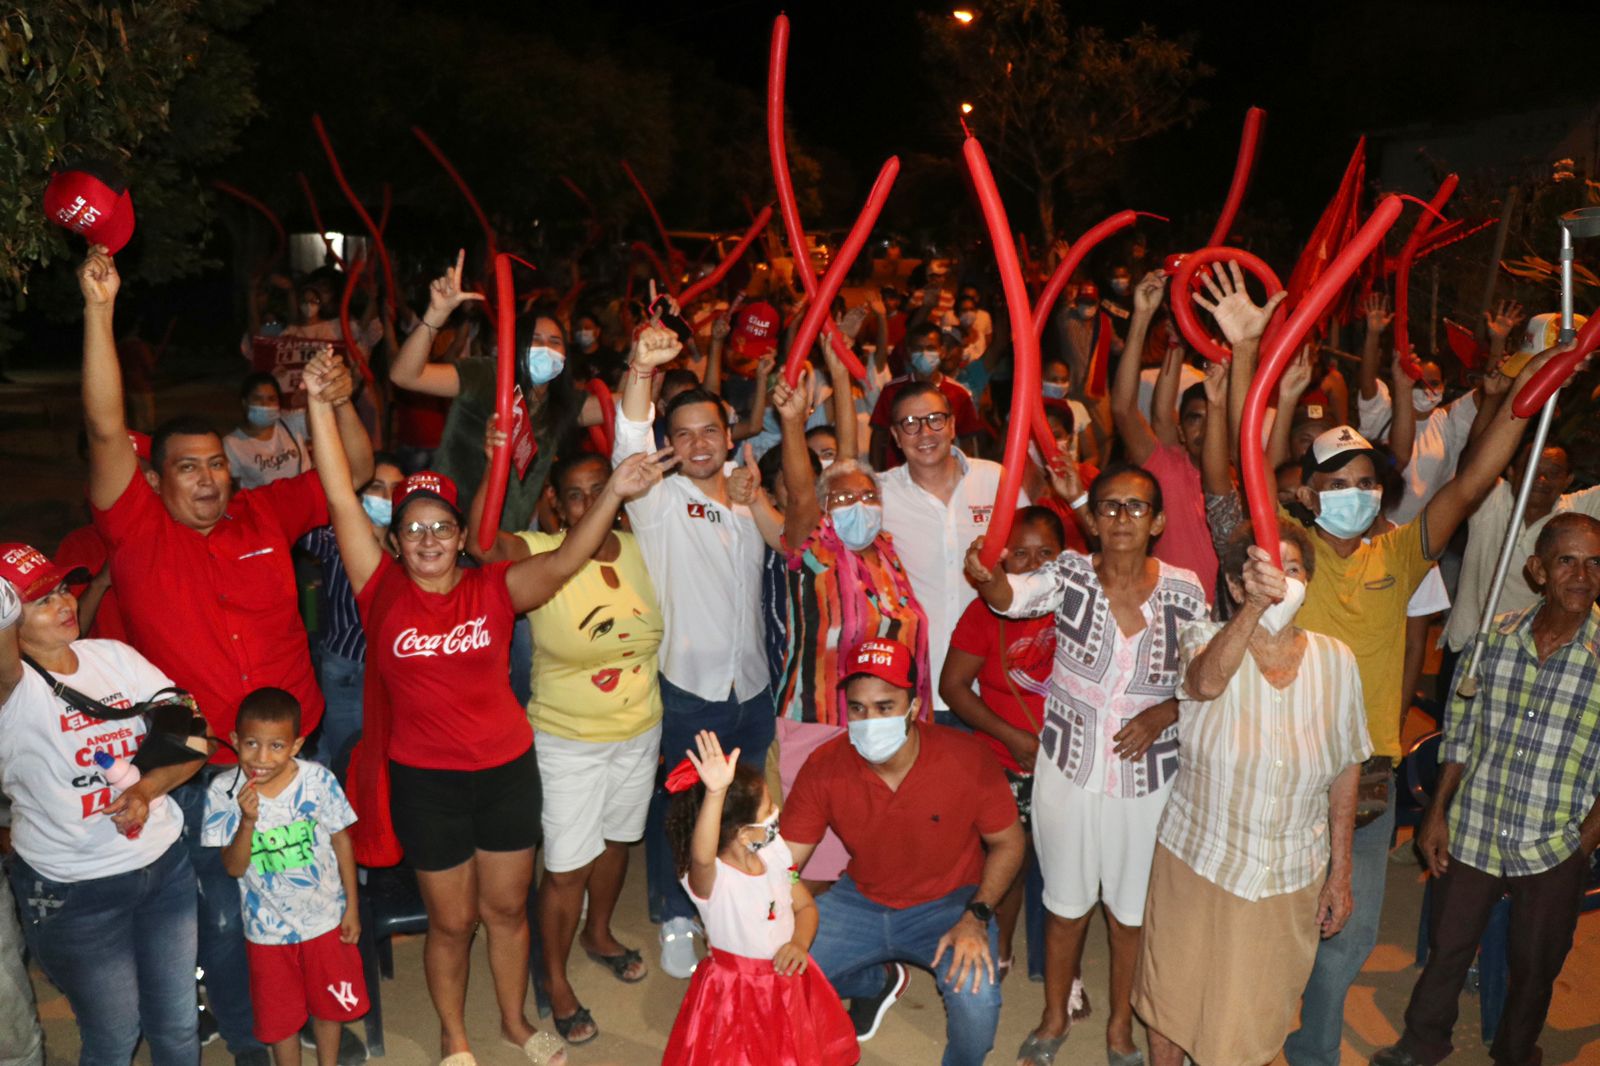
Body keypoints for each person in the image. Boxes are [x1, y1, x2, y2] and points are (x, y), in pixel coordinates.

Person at [1202, 276, 1566, 1066]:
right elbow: (1241, 480)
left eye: (1368, 482)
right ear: (1305, 491)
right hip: (1281, 772)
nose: (1357, 495)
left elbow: (1472, 478)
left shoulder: (1399, 552)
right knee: (1270, 934)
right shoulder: (1280, 547)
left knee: (1348, 940)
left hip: (1366, 780)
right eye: (1338, 484)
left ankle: (1313, 1053)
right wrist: (1245, 352)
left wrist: (1530, 389)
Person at [308, 350, 672, 1066]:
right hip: (428, 783)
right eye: (414, 529)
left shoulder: (495, 588)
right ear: (394, 541)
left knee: (507, 912)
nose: (430, 539)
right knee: (452, 922)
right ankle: (454, 1036)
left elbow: (568, 559)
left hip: (507, 772)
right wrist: (319, 403)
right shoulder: (378, 588)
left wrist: (612, 492)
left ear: (458, 536)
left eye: (442, 526)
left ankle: (511, 1020)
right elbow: (340, 496)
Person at [78, 246, 374, 1066]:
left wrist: (335, 402)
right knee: (229, 916)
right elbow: (105, 426)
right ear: (155, 477)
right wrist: (101, 311)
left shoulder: (264, 519)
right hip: (205, 767)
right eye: (187, 468)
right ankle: (257, 1040)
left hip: (299, 753)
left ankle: (332, 1024)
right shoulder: (136, 535)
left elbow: (353, 468)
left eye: (216, 464)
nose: (207, 480)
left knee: (317, 896)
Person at [966, 466, 1207, 1066]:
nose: (1122, 518)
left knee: (1130, 915)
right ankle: (1052, 1021)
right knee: (1066, 905)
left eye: (1136, 508)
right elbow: (1010, 598)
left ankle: (1121, 1030)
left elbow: (1207, 679)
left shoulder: (1186, 590)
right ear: (1091, 519)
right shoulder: (1069, 574)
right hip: (1068, 767)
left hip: (1148, 778)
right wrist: (986, 574)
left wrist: (1166, 712)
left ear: (1158, 522)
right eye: (1110, 507)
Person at [1134, 529, 1371, 1066]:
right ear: (1238, 587)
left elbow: (1346, 765)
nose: (1278, 580)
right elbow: (1206, 683)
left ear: (1306, 584)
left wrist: (1341, 871)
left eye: (1291, 569)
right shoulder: (1203, 637)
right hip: (1199, 859)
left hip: (1289, 873)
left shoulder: (1338, 660)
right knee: (1171, 1001)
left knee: (1255, 1021)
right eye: (1261, 570)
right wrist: (1253, 611)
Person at [1371, 513, 1600, 1066]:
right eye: (1567, 560)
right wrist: (1435, 813)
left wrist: (1583, 843)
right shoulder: (1492, 639)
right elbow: (1461, 732)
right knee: (1447, 948)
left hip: (1553, 842)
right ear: (1537, 570)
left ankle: (1517, 1053)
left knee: (1534, 966)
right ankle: (1422, 1043)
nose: (1582, 576)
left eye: (1595, 563)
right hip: (1473, 823)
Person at [467, 445, 665, 1045]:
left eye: (598, 488)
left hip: (639, 729)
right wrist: (494, 461)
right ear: (554, 503)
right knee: (566, 866)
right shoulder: (537, 551)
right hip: (567, 741)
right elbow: (479, 545)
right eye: (574, 494)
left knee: (616, 843)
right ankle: (552, 979)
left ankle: (597, 934)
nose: (587, 503)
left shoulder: (642, 550)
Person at [614, 322, 777, 978]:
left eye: (709, 430)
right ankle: (675, 914)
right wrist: (641, 369)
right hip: (687, 687)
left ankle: (731, 904)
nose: (697, 443)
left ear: (729, 434)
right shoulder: (659, 496)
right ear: (668, 444)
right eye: (681, 434)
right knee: (679, 804)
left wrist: (755, 494)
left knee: (743, 801)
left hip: (754, 685)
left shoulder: (746, 491)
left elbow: (793, 543)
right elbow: (628, 436)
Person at [1, 545, 205, 1066]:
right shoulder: (12, 691)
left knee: (178, 1027)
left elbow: (193, 737)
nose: (65, 602)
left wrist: (143, 790)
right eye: (41, 601)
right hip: (75, 892)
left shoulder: (114, 656)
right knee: (114, 1038)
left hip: (165, 871)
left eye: (63, 589)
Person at [781, 639, 1025, 1066]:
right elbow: (786, 863)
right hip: (860, 898)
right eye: (857, 708)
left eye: (884, 706)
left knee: (978, 1005)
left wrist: (977, 915)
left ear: (913, 707)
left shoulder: (966, 758)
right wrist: (742, 907)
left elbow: (1009, 842)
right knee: (778, 979)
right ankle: (875, 980)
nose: (869, 720)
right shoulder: (824, 765)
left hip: (949, 903)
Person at [766, 353, 931, 886]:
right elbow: (798, 490)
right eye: (840, 497)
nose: (856, 503)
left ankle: (853, 960)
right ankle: (793, 958)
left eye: (866, 495)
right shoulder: (813, 549)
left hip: (885, 729)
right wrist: (793, 422)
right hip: (819, 723)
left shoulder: (887, 553)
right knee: (809, 861)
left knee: (871, 853)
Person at [660, 731, 858, 1066]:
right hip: (733, 996)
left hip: (785, 983)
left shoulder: (775, 852)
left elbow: (805, 905)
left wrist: (799, 942)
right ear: (741, 832)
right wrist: (716, 793)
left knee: (790, 1050)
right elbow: (703, 856)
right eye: (768, 809)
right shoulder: (713, 881)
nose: (776, 811)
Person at [388, 250, 606, 535]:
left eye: (555, 342)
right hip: (449, 529)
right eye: (535, 340)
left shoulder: (563, 404)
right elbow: (405, 375)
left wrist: (648, 357)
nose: (546, 349)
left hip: (508, 541)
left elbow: (626, 408)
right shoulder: (487, 375)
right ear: (515, 345)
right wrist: (435, 315)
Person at [203, 688, 367, 1066]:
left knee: (330, 1007)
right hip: (267, 931)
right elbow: (233, 867)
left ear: (296, 745)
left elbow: (342, 842)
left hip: (325, 919)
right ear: (234, 741)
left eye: (276, 745)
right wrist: (247, 821)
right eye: (251, 744)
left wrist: (351, 907)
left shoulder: (318, 781)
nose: (262, 758)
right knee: (279, 1022)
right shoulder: (222, 791)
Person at [941, 507, 1064, 981]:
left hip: (1069, 761)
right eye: (1020, 554)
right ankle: (1002, 945)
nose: (1033, 564)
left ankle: (1060, 971)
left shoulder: (1076, 601)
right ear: (1000, 559)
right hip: (1005, 759)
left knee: (1061, 868)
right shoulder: (983, 611)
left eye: (1046, 553)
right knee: (1009, 858)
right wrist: (1012, 737)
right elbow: (952, 687)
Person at [878, 380, 1022, 724]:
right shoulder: (878, 494)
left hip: (993, 684)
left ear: (953, 425)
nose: (924, 432)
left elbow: (1026, 563)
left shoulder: (995, 480)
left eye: (935, 419)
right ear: (896, 437)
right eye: (910, 424)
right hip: (912, 686)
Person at [1111, 271, 1222, 602]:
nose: (1203, 429)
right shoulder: (1168, 467)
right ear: (1181, 431)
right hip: (1167, 618)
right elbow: (1123, 410)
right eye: (1193, 419)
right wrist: (1143, 318)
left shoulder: (1243, 481)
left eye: (1213, 416)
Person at [1442, 441, 1600, 659]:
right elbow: (1477, 456)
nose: (1541, 479)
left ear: (1568, 480)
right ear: (1511, 471)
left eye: (1552, 472)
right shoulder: (1491, 497)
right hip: (1469, 639)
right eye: (1531, 468)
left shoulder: (1577, 510)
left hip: (1526, 649)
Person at [299, 453, 405, 769]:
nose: (386, 497)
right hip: (347, 667)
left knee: (390, 760)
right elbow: (299, 521)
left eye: (395, 488)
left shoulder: (415, 548)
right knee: (346, 759)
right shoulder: (335, 541)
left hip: (396, 672)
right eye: (377, 487)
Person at [868, 323, 987, 468]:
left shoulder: (958, 393)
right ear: (909, 352)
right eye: (918, 349)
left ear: (942, 351)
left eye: (931, 348)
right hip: (898, 476)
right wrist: (877, 475)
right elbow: (878, 437)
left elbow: (967, 442)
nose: (924, 354)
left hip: (941, 476)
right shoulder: (891, 390)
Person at [225, 373, 312, 489]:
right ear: (245, 403)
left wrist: (312, 400)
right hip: (265, 506)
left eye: (271, 399)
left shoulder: (291, 422)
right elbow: (233, 489)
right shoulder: (232, 444)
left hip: (305, 499)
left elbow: (322, 422)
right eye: (257, 399)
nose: (265, 405)